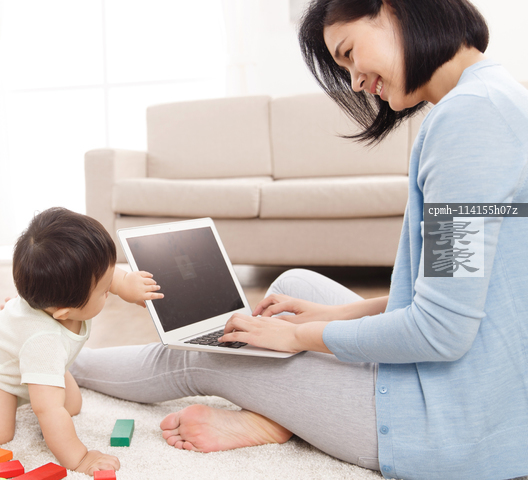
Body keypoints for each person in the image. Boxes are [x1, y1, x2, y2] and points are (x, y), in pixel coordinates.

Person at [68, 1, 528, 479]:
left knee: (207, 354)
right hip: (479, 391)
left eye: (348, 52)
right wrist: (327, 318)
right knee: (293, 291)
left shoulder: (468, 124)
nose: (355, 82)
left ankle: (71, 364)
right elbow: (455, 289)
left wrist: (297, 337)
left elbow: (440, 330)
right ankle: (279, 415)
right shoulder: (494, 96)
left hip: (445, 425)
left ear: (397, 10)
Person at [0, 207, 164, 477]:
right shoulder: (44, 341)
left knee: (72, 405)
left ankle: (36, 381)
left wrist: (126, 284)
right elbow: (47, 411)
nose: (111, 288)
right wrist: (81, 458)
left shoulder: (65, 301)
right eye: (106, 289)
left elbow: (102, 273)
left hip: (30, 359)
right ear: (63, 313)